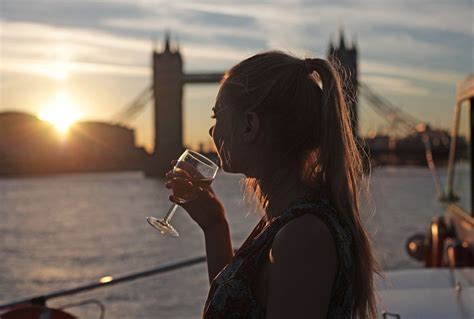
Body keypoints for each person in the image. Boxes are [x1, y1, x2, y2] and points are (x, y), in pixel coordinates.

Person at [165, 50, 379, 318]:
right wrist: (214, 225)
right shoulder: (288, 219)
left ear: (249, 125)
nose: (212, 131)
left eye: (216, 117)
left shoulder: (302, 238)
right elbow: (237, 308)